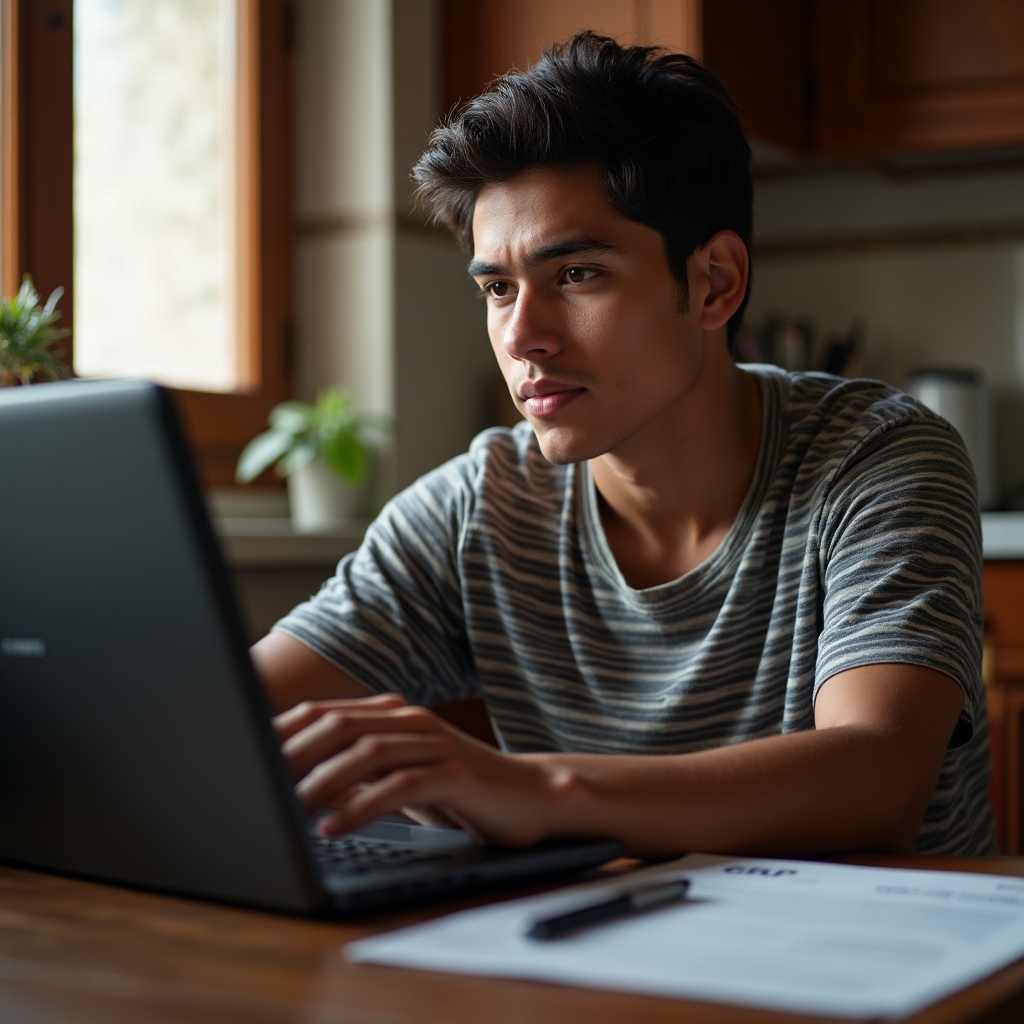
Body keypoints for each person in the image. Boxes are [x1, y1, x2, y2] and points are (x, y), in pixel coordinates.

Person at [253, 32, 996, 857]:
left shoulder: (880, 459)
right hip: (604, 935)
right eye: (498, 287)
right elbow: (228, 713)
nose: (521, 336)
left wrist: (535, 789)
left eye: (577, 275)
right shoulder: (478, 508)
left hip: (879, 938)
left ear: (715, 283)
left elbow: (878, 781)